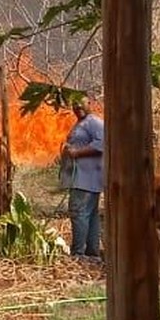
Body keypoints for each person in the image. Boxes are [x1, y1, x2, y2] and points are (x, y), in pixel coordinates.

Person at [60, 96, 104, 260]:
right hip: (83, 179)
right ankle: (92, 254)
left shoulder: (94, 122)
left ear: (90, 103)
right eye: (74, 103)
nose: (77, 106)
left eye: (81, 102)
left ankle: (78, 253)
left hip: (86, 180)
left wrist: (76, 153)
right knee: (90, 215)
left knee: (79, 213)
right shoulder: (81, 123)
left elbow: (103, 143)